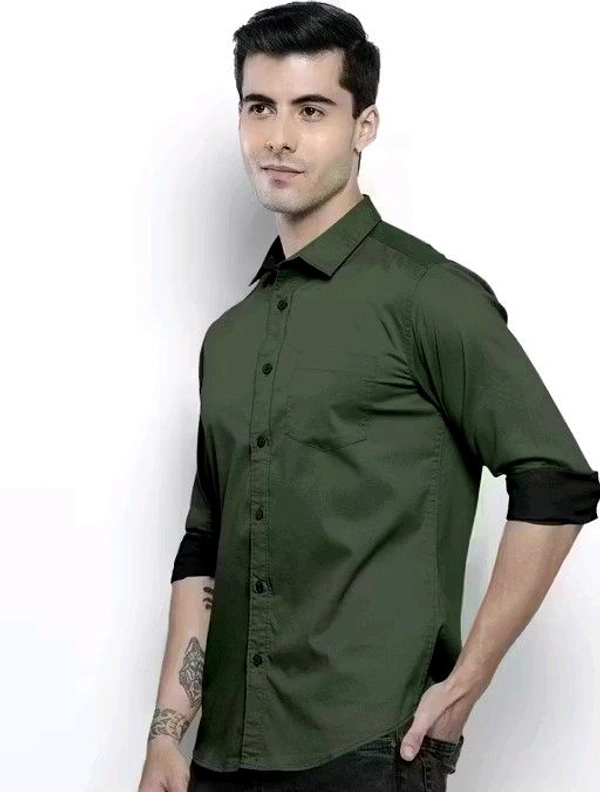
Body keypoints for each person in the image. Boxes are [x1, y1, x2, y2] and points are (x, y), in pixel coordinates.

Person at [137, 3, 600, 791]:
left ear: (364, 125)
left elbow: (555, 482)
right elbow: (202, 549)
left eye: (312, 110)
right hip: (220, 755)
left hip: (367, 749)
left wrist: (465, 686)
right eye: (260, 107)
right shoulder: (229, 338)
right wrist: (167, 738)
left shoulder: (428, 297)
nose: (279, 137)